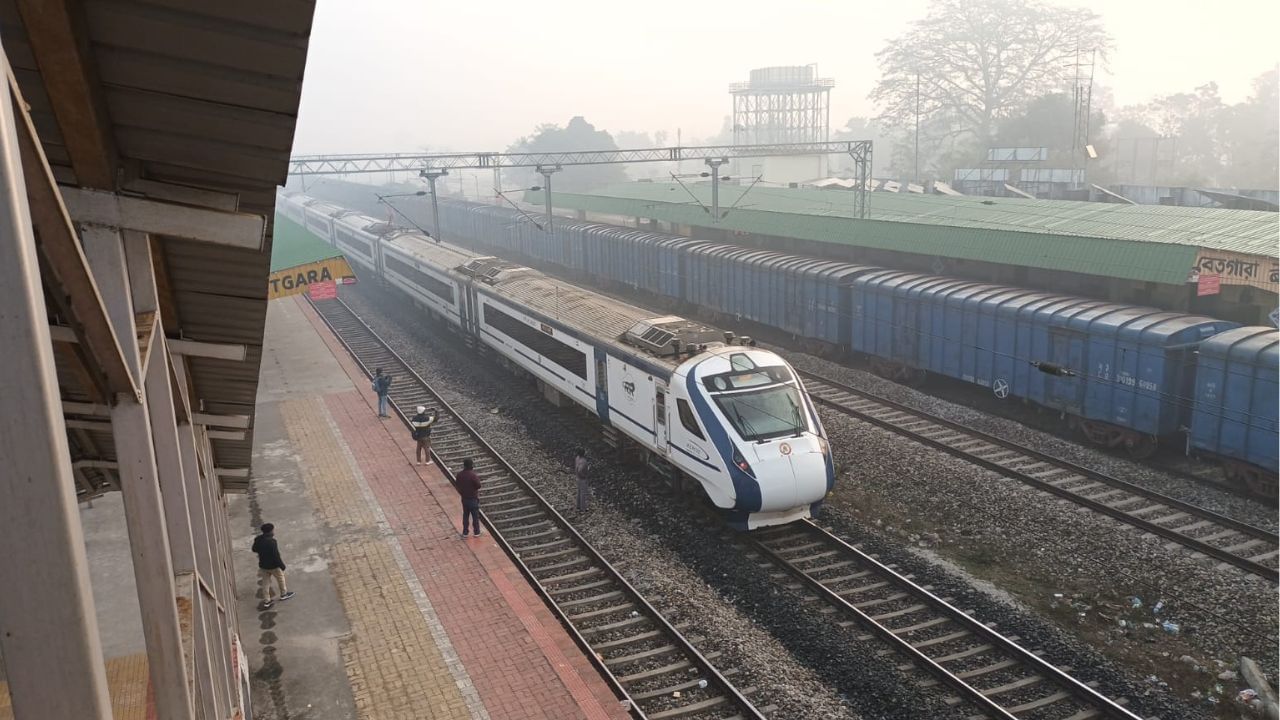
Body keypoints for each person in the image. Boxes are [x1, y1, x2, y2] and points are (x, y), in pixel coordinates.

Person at [251, 523, 294, 609]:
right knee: (280, 579)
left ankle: (267, 601)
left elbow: (254, 549)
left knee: (265, 583)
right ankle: (283, 594)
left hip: (263, 565)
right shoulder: (272, 542)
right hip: (273, 566)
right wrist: (282, 566)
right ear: (270, 531)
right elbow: (276, 556)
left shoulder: (258, 539)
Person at [456, 458, 483, 537]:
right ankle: (476, 532)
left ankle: (465, 532)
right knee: (475, 516)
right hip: (473, 499)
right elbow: (478, 485)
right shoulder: (472, 475)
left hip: (464, 498)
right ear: (472, 465)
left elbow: (457, 485)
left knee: (466, 515)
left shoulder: (459, 475)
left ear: (464, 465)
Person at [574, 448, 590, 512]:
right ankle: (583, 508)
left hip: (577, 477)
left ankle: (578, 506)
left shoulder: (577, 458)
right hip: (582, 479)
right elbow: (580, 470)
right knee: (583, 494)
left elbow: (577, 468)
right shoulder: (584, 461)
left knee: (579, 492)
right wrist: (584, 475)